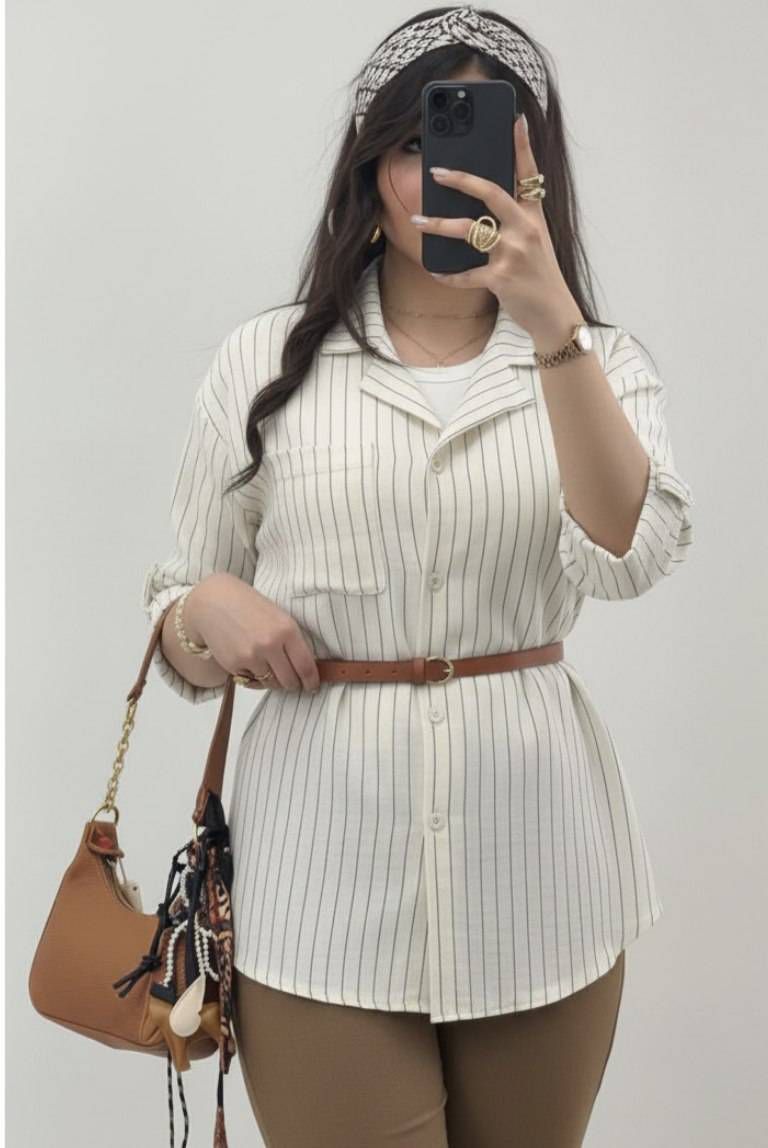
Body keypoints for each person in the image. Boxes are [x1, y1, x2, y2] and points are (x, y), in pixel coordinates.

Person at [142, 6, 694, 1145]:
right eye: (412, 145)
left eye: (484, 143)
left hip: (542, 877)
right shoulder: (265, 362)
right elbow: (183, 636)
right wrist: (201, 605)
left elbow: (630, 556)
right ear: (369, 171)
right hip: (318, 886)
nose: (444, 177)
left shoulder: (603, 362)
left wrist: (554, 329)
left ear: (535, 171)